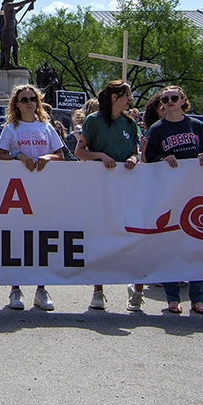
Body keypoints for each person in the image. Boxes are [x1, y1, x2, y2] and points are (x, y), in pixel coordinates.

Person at [74, 80, 145, 311]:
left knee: (133, 237)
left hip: (127, 190)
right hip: (99, 190)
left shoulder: (130, 123)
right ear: (115, 97)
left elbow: (135, 153)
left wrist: (134, 159)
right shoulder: (93, 121)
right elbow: (79, 152)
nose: (130, 100)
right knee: (99, 238)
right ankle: (98, 290)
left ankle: (136, 290)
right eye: (127, 95)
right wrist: (100, 156)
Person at [144, 85, 203, 315]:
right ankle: (172, 298)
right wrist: (164, 158)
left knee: (196, 246)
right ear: (161, 104)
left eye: (175, 97)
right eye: (166, 99)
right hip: (169, 194)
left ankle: (198, 299)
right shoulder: (156, 129)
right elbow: (150, 159)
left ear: (184, 100)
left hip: (195, 193)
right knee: (170, 246)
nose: (170, 101)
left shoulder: (195, 126)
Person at [0, 84, 64, 311]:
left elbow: (60, 154)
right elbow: (0, 154)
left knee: (41, 240)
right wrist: (18, 155)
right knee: (16, 240)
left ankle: (41, 288)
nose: (28, 103)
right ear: (16, 104)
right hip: (17, 193)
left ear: (37, 103)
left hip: (43, 191)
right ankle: (15, 289)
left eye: (32, 99)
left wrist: (47, 156)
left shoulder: (46, 127)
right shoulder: (11, 128)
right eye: (24, 100)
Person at [0, 0, 39, 70]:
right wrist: (29, 0)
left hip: (11, 30)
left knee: (15, 46)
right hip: (7, 29)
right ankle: (6, 64)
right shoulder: (7, 5)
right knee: (8, 47)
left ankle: (16, 63)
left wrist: (22, 7)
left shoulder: (10, 8)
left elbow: (16, 10)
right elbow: (19, 3)